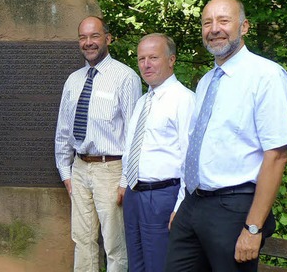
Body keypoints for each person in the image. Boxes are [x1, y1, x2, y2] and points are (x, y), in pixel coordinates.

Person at [165, 0, 287, 271]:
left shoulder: (267, 76)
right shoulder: (206, 82)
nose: (214, 29)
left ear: (244, 26)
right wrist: (181, 204)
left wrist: (253, 227)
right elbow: (195, 148)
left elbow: (277, 156)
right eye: (207, 23)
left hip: (234, 209)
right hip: (192, 204)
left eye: (223, 21)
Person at [55, 16, 142, 271]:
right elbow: (63, 130)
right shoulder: (73, 80)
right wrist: (65, 171)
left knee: (115, 245)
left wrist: (126, 180)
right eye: (83, 37)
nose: (88, 42)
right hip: (79, 169)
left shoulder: (126, 77)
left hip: (111, 170)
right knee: (82, 241)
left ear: (108, 38)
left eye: (94, 36)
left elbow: (134, 135)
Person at [119, 33, 195, 272]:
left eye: (153, 57)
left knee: (158, 265)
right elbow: (132, 147)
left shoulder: (184, 100)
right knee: (136, 265)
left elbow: (190, 159)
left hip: (163, 196)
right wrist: (124, 182)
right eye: (141, 59)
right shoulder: (143, 101)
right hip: (134, 194)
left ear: (171, 60)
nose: (146, 64)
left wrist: (180, 205)